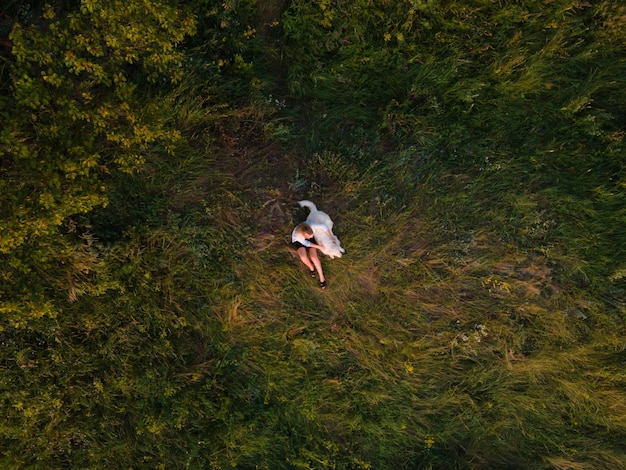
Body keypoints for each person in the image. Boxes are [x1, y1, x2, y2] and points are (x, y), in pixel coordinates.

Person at [291, 222, 328, 289]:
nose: (311, 237)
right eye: (309, 236)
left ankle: (322, 277)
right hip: (299, 241)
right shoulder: (298, 236)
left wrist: (331, 236)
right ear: (304, 234)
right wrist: (320, 247)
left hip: (307, 239)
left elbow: (324, 226)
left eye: (312, 235)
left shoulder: (310, 225)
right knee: (303, 257)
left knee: (313, 257)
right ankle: (311, 267)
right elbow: (307, 244)